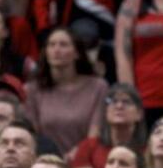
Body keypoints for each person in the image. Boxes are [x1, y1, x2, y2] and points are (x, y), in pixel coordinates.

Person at [25, 27, 108, 158]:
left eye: (63, 45)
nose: (56, 50)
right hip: (44, 159)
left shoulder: (98, 87)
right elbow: (32, 134)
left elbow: (94, 134)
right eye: (51, 45)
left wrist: (74, 157)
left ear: (77, 53)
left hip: (85, 159)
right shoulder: (32, 90)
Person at [71, 83, 146, 168]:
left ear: (139, 114)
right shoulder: (88, 147)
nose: (119, 106)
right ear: (106, 111)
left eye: (126, 102)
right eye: (113, 101)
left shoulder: (147, 149)